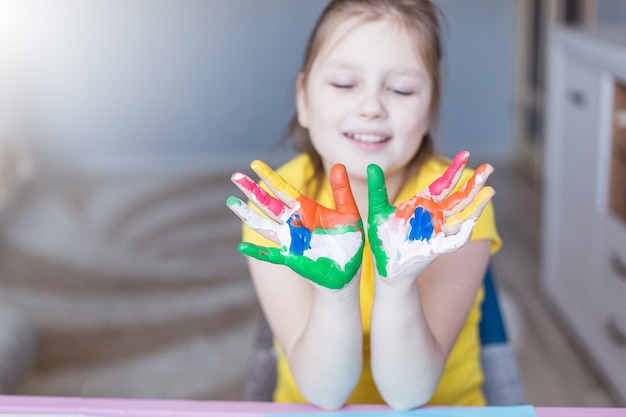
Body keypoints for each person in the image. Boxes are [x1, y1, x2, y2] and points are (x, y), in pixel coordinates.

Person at [227, 0, 500, 411]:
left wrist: (397, 285)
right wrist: (335, 294)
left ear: (430, 109)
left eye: (401, 89)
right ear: (303, 99)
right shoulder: (279, 207)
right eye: (343, 84)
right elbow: (325, 395)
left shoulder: (456, 206)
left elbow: (408, 396)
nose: (371, 107)